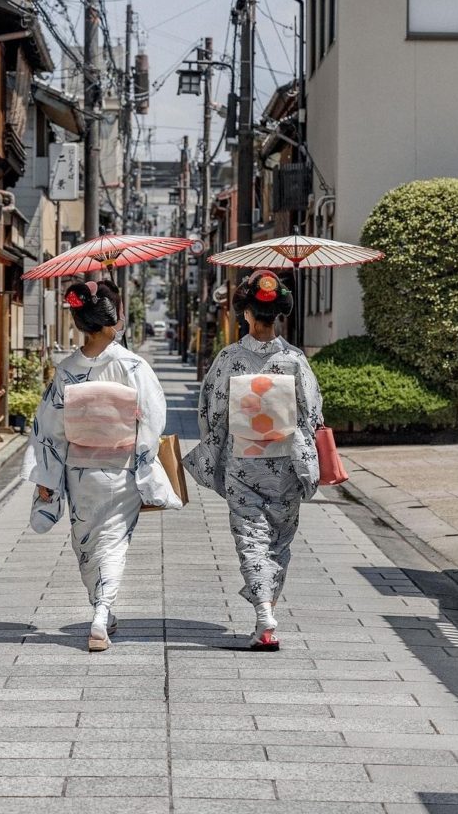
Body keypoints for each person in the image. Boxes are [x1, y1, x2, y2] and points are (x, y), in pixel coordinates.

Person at [21, 279, 182, 652]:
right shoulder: (132, 365)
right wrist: (144, 460)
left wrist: (47, 477)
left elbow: (49, 429)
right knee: (113, 542)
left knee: (87, 543)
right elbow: (153, 418)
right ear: (115, 318)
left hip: (80, 473)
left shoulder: (66, 370)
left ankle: (101, 608)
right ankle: (101, 613)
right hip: (122, 468)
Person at [184, 270, 322, 650]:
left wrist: (217, 444)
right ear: (278, 316)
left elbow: (211, 411)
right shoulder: (294, 360)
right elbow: (312, 413)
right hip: (287, 464)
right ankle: (266, 619)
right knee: (278, 540)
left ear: (246, 313)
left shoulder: (229, 359)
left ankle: (264, 614)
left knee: (251, 537)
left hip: (242, 463)